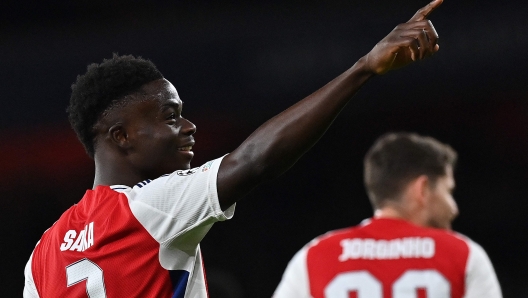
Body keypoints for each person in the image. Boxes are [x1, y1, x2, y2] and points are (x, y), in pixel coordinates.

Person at [23, 0, 444, 297]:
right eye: (170, 116)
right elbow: (254, 160)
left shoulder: (44, 251)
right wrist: (363, 68)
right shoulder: (150, 206)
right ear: (121, 137)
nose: (188, 127)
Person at [273, 132, 502, 298]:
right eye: (448, 191)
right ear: (422, 189)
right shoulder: (463, 255)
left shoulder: (315, 257)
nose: (454, 208)